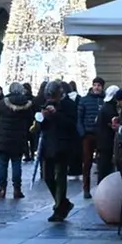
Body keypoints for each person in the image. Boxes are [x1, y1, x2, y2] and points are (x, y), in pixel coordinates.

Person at [40, 80, 78, 222]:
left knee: (60, 177)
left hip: (63, 145)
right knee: (47, 176)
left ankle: (58, 208)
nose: (50, 100)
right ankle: (63, 203)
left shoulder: (69, 104)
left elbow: (71, 124)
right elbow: (43, 127)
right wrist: (43, 118)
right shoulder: (47, 104)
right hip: (49, 145)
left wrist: (56, 114)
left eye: (52, 97)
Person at [0, 82, 33, 199]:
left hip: (3, 138)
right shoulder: (27, 104)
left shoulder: (2, 103)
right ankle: (17, 189)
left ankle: (2, 189)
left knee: (2, 164)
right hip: (19, 138)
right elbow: (30, 120)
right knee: (17, 163)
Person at [78, 77, 106, 199]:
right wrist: (82, 133)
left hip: (101, 135)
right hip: (88, 135)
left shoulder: (105, 101)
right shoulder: (84, 100)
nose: (96, 87)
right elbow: (79, 118)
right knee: (87, 163)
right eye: (95, 85)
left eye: (99, 85)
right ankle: (86, 188)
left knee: (102, 162)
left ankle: (102, 188)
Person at [95, 86, 121, 183]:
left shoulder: (105, 107)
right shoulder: (110, 109)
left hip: (102, 142)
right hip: (107, 142)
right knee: (105, 168)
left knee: (104, 167)